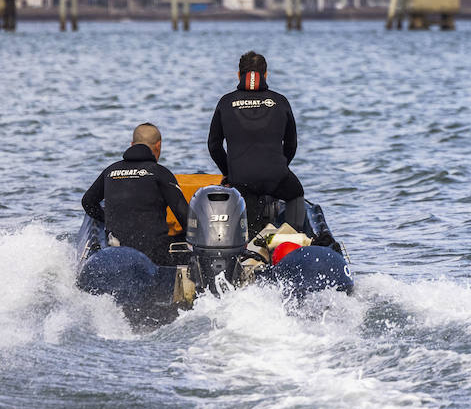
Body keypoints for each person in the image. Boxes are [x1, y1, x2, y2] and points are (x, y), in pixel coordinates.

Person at [207, 51, 305, 236]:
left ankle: (249, 246)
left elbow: (214, 146)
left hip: (240, 178)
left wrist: (229, 172)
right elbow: (291, 145)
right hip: (276, 177)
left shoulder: (225, 102)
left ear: (238, 75)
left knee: (251, 230)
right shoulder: (280, 101)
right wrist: (279, 168)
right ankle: (290, 239)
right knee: (296, 193)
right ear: (266, 75)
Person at [82, 123, 190, 264]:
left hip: (117, 254)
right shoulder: (160, 172)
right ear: (158, 146)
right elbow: (184, 215)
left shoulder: (110, 171)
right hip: (154, 256)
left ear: (132, 144)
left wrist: (107, 218)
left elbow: (87, 202)